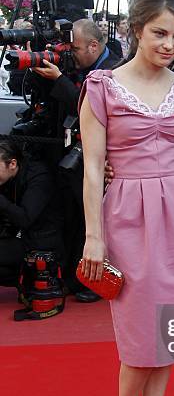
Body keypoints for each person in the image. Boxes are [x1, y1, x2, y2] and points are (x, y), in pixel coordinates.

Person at [79, 0, 174, 396]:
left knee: (169, 328)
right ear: (135, 30)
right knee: (138, 332)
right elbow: (92, 168)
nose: (169, 45)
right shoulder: (102, 86)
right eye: (159, 34)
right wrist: (93, 236)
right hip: (127, 213)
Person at [32, 19, 120, 302]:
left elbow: (90, 108)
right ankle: (73, 276)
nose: (71, 54)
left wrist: (60, 80)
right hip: (71, 156)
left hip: (101, 162)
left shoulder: (115, 69)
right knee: (70, 219)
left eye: (76, 49)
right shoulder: (77, 67)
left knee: (92, 223)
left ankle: (94, 282)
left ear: (94, 46)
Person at [0, 141, 63, 287]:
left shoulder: (39, 177)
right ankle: (26, 282)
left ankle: (29, 280)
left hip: (41, 243)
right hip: (19, 236)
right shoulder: (8, 178)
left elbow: (25, 218)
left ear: (12, 164)